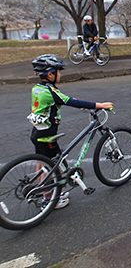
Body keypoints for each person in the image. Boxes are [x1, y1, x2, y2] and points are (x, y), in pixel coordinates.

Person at [28, 54, 114, 208]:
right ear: (50, 74)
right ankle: (49, 200)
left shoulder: (38, 88)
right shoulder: (51, 92)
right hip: (48, 134)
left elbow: (62, 101)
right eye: (58, 72)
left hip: (37, 132)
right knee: (50, 166)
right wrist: (99, 105)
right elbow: (72, 101)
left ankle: (53, 193)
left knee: (42, 164)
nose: (60, 74)